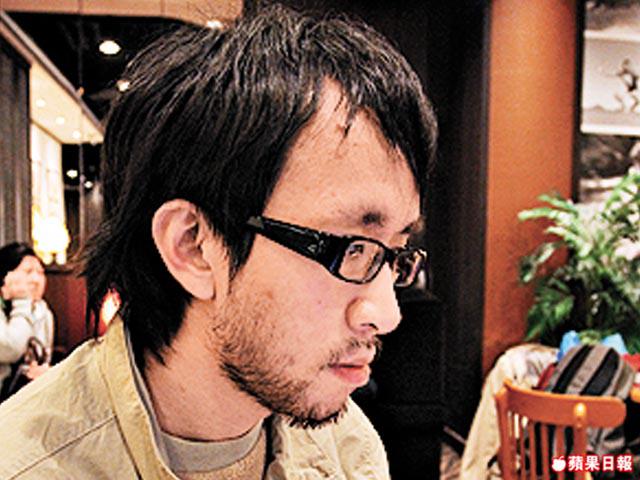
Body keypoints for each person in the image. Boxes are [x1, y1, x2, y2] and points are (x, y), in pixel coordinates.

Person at [0, 5, 437, 478]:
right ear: (193, 246)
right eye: (354, 249)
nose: (388, 314)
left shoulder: (347, 446)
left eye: (394, 256)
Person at [0, 242, 54, 399]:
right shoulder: (21, 306)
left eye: (41, 272)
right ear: (5, 276)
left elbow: (42, 358)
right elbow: (10, 349)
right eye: (28, 271)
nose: (36, 280)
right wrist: (22, 301)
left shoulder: (43, 312)